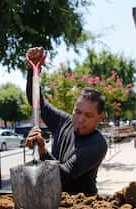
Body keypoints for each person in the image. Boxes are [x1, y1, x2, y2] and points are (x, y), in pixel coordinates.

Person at [25, 47, 107, 196]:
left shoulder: (97, 144)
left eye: (88, 115)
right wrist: (32, 71)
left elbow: (63, 177)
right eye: (77, 112)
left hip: (82, 208)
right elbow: (37, 102)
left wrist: (42, 152)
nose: (80, 119)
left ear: (100, 117)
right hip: (55, 200)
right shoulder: (63, 122)